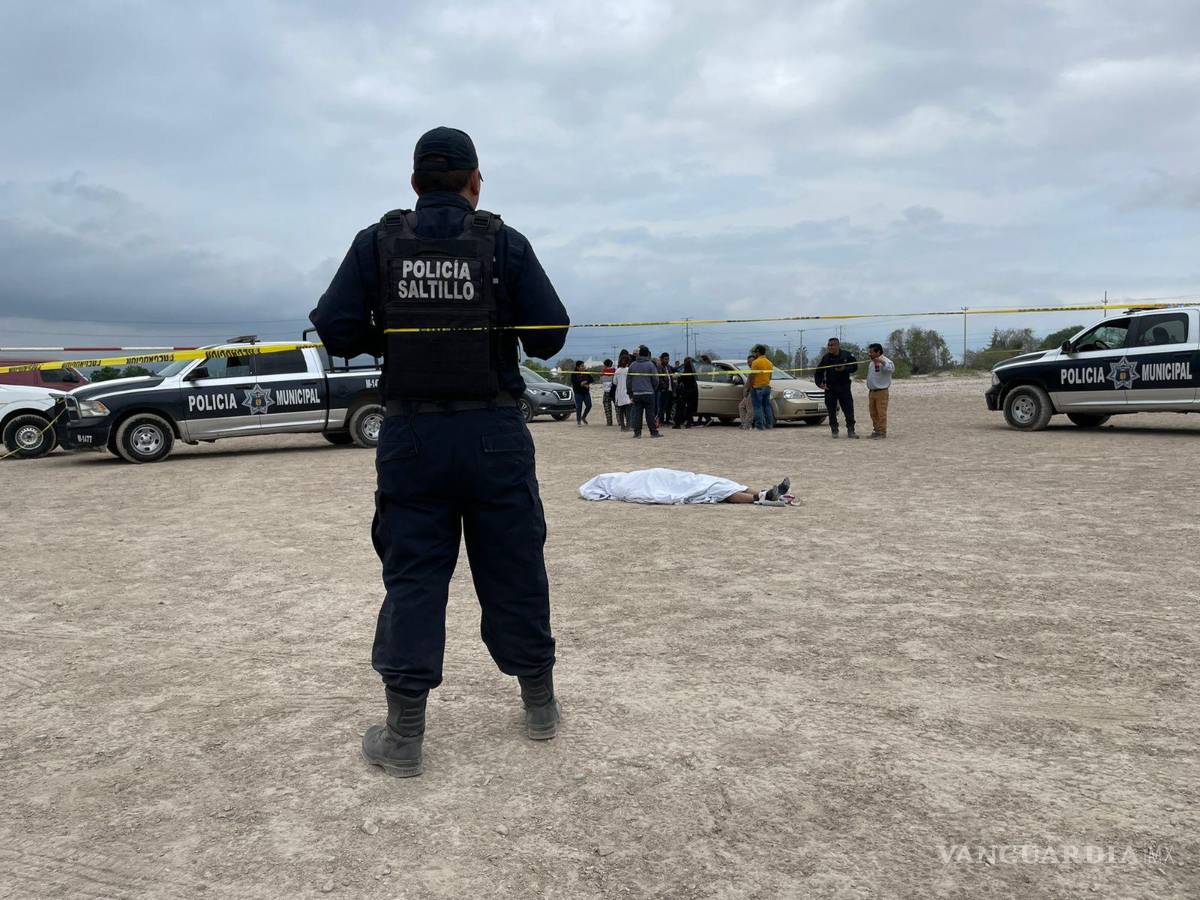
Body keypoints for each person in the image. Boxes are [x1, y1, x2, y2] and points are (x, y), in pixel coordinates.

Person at [310, 126, 568, 778]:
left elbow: (335, 324)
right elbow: (550, 335)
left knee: (414, 578)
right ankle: (539, 706)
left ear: (415, 182)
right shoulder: (503, 243)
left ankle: (404, 738)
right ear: (474, 183)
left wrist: (391, 333)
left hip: (413, 437)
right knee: (514, 567)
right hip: (493, 434)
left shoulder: (378, 243)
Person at [580, 469, 792, 506]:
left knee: (715, 482)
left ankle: (766, 492)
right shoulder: (621, 487)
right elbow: (647, 494)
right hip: (663, 482)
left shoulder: (622, 479)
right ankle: (760, 497)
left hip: (665, 476)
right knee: (714, 490)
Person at [814, 337, 859, 439]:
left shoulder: (847, 355)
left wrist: (845, 369)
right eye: (828, 345)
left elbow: (855, 367)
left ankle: (851, 430)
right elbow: (818, 372)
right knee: (831, 411)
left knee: (848, 409)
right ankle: (834, 430)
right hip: (830, 388)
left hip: (844, 387)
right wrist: (820, 383)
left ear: (838, 345)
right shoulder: (826, 358)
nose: (830, 347)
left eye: (832, 345)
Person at [627, 345, 661, 438]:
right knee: (650, 414)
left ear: (639, 354)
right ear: (647, 354)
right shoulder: (650, 364)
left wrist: (630, 393)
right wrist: (653, 388)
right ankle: (653, 433)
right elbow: (656, 380)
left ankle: (637, 433)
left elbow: (628, 381)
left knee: (637, 414)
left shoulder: (632, 365)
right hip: (649, 393)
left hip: (636, 394)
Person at [865, 342, 895, 438]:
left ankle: (882, 432)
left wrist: (881, 362)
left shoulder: (886, 361)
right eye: (869, 352)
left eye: (871, 352)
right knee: (873, 413)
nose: (869, 354)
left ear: (878, 352)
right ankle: (876, 430)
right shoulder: (871, 363)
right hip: (872, 392)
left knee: (881, 412)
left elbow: (891, 369)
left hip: (881, 391)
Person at [749, 344, 774, 430]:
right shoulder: (769, 363)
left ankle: (759, 425)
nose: (755, 354)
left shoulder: (755, 362)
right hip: (767, 387)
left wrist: (751, 386)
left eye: (755, 352)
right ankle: (769, 425)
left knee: (757, 407)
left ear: (758, 352)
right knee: (767, 407)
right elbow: (770, 377)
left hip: (757, 388)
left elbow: (752, 376)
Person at [672, 356, 699, 428]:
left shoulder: (684, 372)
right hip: (692, 391)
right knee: (690, 408)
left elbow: (680, 380)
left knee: (680, 407)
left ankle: (677, 424)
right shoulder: (694, 372)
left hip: (684, 392)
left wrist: (678, 377)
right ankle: (689, 423)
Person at [614, 350, 632, 431]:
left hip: (619, 393)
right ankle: (628, 426)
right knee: (628, 411)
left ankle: (622, 427)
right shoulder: (629, 370)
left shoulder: (617, 370)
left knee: (621, 411)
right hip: (627, 393)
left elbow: (614, 382)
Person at [570, 361, 593, 426]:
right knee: (579, 406)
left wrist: (586, 381)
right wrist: (581, 384)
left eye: (583, 365)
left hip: (586, 392)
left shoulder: (586, 372)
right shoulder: (574, 374)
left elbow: (591, 379)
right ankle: (578, 420)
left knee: (589, 405)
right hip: (578, 393)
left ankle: (583, 417)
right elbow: (574, 382)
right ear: (577, 367)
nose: (583, 367)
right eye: (582, 366)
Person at [695, 355, 715, 425]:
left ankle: (707, 418)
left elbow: (702, 376)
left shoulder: (706, 367)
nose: (700, 362)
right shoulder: (708, 366)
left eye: (701, 360)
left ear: (705, 360)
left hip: (704, 386)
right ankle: (700, 420)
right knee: (702, 404)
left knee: (702, 404)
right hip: (705, 386)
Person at [738, 353, 755, 430]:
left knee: (749, 408)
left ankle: (748, 424)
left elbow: (751, 383)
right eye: (748, 362)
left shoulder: (755, 371)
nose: (749, 364)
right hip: (748, 393)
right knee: (741, 406)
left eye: (750, 362)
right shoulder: (752, 371)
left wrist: (747, 391)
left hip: (752, 392)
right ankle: (744, 423)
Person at [657, 352, 675, 426]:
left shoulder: (669, 367)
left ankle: (668, 420)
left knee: (669, 406)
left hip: (670, 390)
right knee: (662, 407)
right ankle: (661, 421)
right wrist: (664, 387)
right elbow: (660, 379)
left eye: (668, 359)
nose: (667, 361)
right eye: (665, 359)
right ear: (661, 359)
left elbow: (675, 370)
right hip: (663, 390)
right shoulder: (659, 367)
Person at [600, 358, 616, 426]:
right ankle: (619, 421)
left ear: (604, 365)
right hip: (614, 391)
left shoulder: (603, 372)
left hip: (606, 391)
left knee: (607, 407)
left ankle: (609, 422)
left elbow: (601, 380)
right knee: (617, 407)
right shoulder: (615, 371)